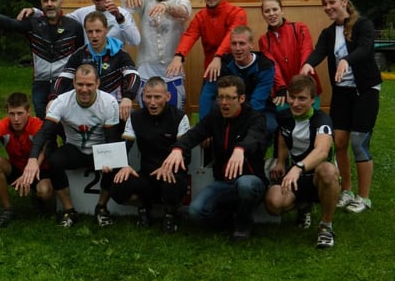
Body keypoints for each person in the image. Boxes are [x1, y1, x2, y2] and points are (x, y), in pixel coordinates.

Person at [301, 0, 382, 213]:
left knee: (359, 142)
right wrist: (308, 64)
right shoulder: (328, 33)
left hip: (365, 90)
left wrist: (346, 60)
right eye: (325, 4)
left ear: (344, 2)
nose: (327, 7)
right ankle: (346, 190)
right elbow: (319, 52)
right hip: (342, 93)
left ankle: (364, 197)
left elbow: (365, 48)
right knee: (339, 142)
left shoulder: (363, 25)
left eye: (331, 2)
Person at [159, 76, 267, 241]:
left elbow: (254, 138)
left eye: (229, 98)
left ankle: (243, 225)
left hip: (251, 181)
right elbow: (194, 134)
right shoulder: (215, 116)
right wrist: (178, 149)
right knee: (195, 212)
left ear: (241, 98)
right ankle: (231, 218)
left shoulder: (256, 118)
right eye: (220, 97)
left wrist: (241, 149)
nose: (223, 103)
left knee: (245, 185)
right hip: (223, 183)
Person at [0, 0, 84, 119]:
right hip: (40, 83)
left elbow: (80, 55)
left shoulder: (74, 26)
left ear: (61, 2)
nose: (49, 4)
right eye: (46, 1)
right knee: (42, 120)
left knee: (64, 120)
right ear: (41, 4)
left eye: (53, 0)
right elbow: (12, 24)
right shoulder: (33, 24)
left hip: (64, 82)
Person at [29, 64, 120, 227]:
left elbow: (112, 138)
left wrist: (110, 159)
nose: (84, 89)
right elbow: (45, 131)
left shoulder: (109, 102)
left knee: (116, 162)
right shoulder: (62, 101)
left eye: (89, 85)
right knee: (55, 161)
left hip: (99, 149)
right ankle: (69, 210)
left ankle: (101, 208)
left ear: (97, 83)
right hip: (74, 148)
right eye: (80, 84)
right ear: (73, 83)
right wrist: (33, 158)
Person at [265, 75, 340, 248]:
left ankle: (326, 226)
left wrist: (297, 168)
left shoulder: (322, 120)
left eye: (302, 98)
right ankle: (303, 205)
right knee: (273, 203)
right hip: (296, 178)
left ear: (313, 100)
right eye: (292, 97)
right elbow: (282, 136)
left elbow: (322, 151)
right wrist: (281, 162)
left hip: (320, 179)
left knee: (328, 171)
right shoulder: (284, 117)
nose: (295, 103)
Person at [109, 76, 191, 233]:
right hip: (147, 174)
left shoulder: (180, 117)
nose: (152, 102)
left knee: (173, 186)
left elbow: (186, 153)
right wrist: (123, 165)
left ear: (168, 96)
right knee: (118, 187)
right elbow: (125, 145)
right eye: (148, 97)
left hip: (172, 174)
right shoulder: (135, 117)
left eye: (157, 97)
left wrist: (168, 168)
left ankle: (170, 214)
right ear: (143, 97)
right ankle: (143, 208)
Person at [166, 0, 247, 119]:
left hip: (234, 70)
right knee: (205, 109)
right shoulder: (201, 16)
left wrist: (218, 56)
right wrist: (179, 56)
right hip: (211, 72)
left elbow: (231, 35)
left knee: (234, 112)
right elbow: (190, 35)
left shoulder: (237, 13)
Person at [0, 92, 53, 227]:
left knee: (45, 192)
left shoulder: (37, 125)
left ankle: (37, 197)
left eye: (20, 113)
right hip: (17, 169)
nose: (16, 119)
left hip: (39, 170)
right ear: (7, 112)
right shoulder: (2, 125)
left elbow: (44, 150)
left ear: (28, 112)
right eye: (12, 114)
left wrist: (31, 171)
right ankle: (7, 209)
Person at [122, 0, 192, 110]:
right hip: (146, 68)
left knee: (174, 114)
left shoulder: (181, 0)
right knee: (146, 115)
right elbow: (128, 3)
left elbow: (184, 12)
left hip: (172, 70)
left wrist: (167, 6)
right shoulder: (146, 1)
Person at [53, 11, 140, 123]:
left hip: (114, 107)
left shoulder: (120, 53)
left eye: (98, 31)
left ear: (106, 30)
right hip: (86, 107)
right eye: (90, 31)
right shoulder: (79, 54)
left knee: (130, 117)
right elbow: (63, 79)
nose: (94, 35)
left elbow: (133, 76)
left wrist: (128, 97)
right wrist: (53, 98)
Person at [18, 0, 140, 47]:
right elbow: (57, 18)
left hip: (114, 66)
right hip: (89, 68)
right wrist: (35, 12)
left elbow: (135, 41)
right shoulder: (83, 13)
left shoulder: (123, 14)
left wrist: (119, 18)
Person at [258, 0, 322, 109]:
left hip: (307, 86)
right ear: (263, 15)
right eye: (267, 11)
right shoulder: (263, 40)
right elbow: (272, 65)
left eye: (275, 9)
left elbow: (306, 51)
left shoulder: (299, 28)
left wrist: (301, 79)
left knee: (310, 118)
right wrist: (281, 87)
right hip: (284, 93)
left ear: (282, 10)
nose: (271, 14)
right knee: (286, 119)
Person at [221, 25, 277, 143]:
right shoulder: (225, 63)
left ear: (251, 44)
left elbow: (258, 102)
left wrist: (240, 122)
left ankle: (254, 152)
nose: (237, 48)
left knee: (269, 126)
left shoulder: (265, 66)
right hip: (231, 106)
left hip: (261, 109)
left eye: (242, 43)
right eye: (234, 44)